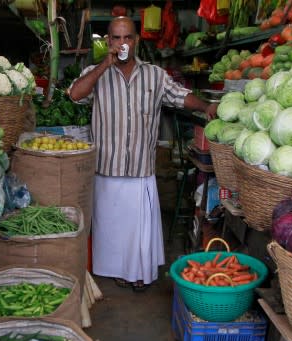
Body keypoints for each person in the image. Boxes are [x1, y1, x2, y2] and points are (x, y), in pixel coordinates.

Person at [69, 16, 218, 292]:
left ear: (136, 40)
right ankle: (116, 270)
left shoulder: (154, 75)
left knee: (138, 231)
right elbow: (75, 94)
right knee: (112, 229)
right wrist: (105, 65)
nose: (122, 43)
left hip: (140, 168)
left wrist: (205, 106)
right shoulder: (96, 72)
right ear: (108, 42)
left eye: (128, 38)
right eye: (116, 38)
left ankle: (138, 272)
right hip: (107, 167)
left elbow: (180, 95)